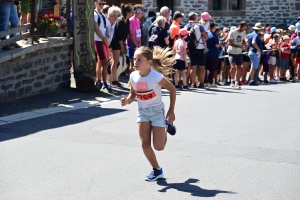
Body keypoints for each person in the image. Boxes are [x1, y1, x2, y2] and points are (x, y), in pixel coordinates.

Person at [120, 46, 176, 182]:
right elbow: (133, 95)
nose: (136, 62)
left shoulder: (156, 76)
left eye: (140, 59)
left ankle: (166, 126)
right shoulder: (133, 76)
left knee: (159, 147)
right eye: (134, 59)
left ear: (149, 62)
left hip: (157, 111)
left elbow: (172, 89)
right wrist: (128, 101)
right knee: (145, 144)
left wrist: (171, 111)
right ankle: (157, 170)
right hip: (143, 112)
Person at [110, 4, 133, 88]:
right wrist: (121, 46)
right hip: (116, 43)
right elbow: (118, 35)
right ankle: (113, 80)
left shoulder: (128, 21)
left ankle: (115, 79)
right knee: (115, 61)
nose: (132, 13)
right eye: (131, 12)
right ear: (127, 12)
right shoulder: (120, 20)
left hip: (122, 42)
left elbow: (127, 33)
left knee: (118, 61)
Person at [94, 0, 112, 93]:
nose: (101, 5)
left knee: (103, 62)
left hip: (104, 40)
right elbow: (96, 29)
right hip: (98, 40)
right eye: (100, 3)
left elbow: (107, 27)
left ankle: (101, 82)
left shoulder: (103, 15)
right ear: (95, 3)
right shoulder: (94, 14)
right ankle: (102, 82)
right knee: (104, 62)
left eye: (103, 4)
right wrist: (104, 38)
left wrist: (107, 36)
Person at [189, 18, 208, 88]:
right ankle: (201, 83)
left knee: (193, 67)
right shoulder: (200, 26)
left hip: (192, 48)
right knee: (202, 67)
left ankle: (193, 83)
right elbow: (206, 37)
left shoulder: (189, 26)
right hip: (200, 48)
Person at [227, 21, 247, 88]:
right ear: (240, 26)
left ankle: (236, 82)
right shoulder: (232, 32)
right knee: (232, 66)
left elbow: (243, 40)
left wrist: (245, 44)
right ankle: (232, 81)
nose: (244, 29)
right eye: (243, 28)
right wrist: (238, 46)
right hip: (232, 51)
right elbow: (229, 43)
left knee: (238, 67)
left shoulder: (243, 32)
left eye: (245, 28)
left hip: (239, 52)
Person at [126, 4, 144, 74]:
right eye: (137, 11)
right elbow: (130, 34)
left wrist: (139, 43)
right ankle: (131, 77)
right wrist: (135, 44)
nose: (139, 13)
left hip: (138, 43)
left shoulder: (138, 20)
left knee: (137, 62)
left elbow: (139, 33)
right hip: (131, 44)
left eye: (140, 11)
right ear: (134, 11)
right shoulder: (130, 20)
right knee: (132, 61)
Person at [205, 22, 220, 88]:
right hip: (213, 53)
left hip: (206, 52)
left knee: (205, 68)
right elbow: (216, 45)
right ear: (213, 27)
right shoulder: (214, 35)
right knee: (211, 69)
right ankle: (210, 82)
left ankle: (205, 82)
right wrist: (221, 44)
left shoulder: (205, 34)